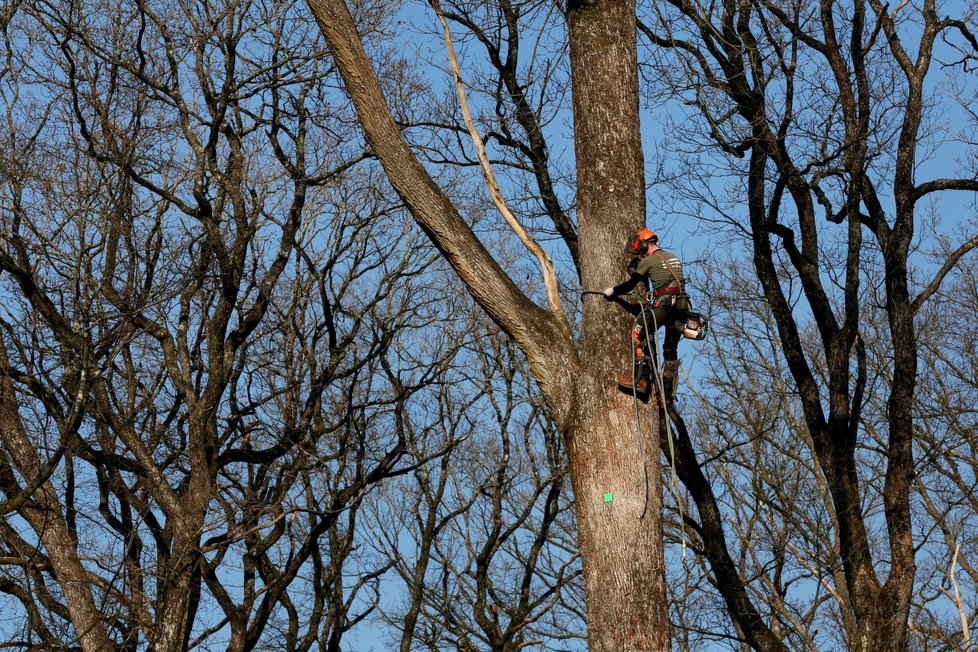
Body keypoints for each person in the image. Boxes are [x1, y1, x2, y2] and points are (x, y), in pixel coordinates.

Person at [603, 228, 687, 400]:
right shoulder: (673, 258)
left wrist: (613, 291)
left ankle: (642, 381)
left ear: (643, 245)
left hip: (665, 307)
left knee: (638, 333)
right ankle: (668, 394)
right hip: (682, 308)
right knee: (670, 351)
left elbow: (630, 285)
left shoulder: (649, 261)